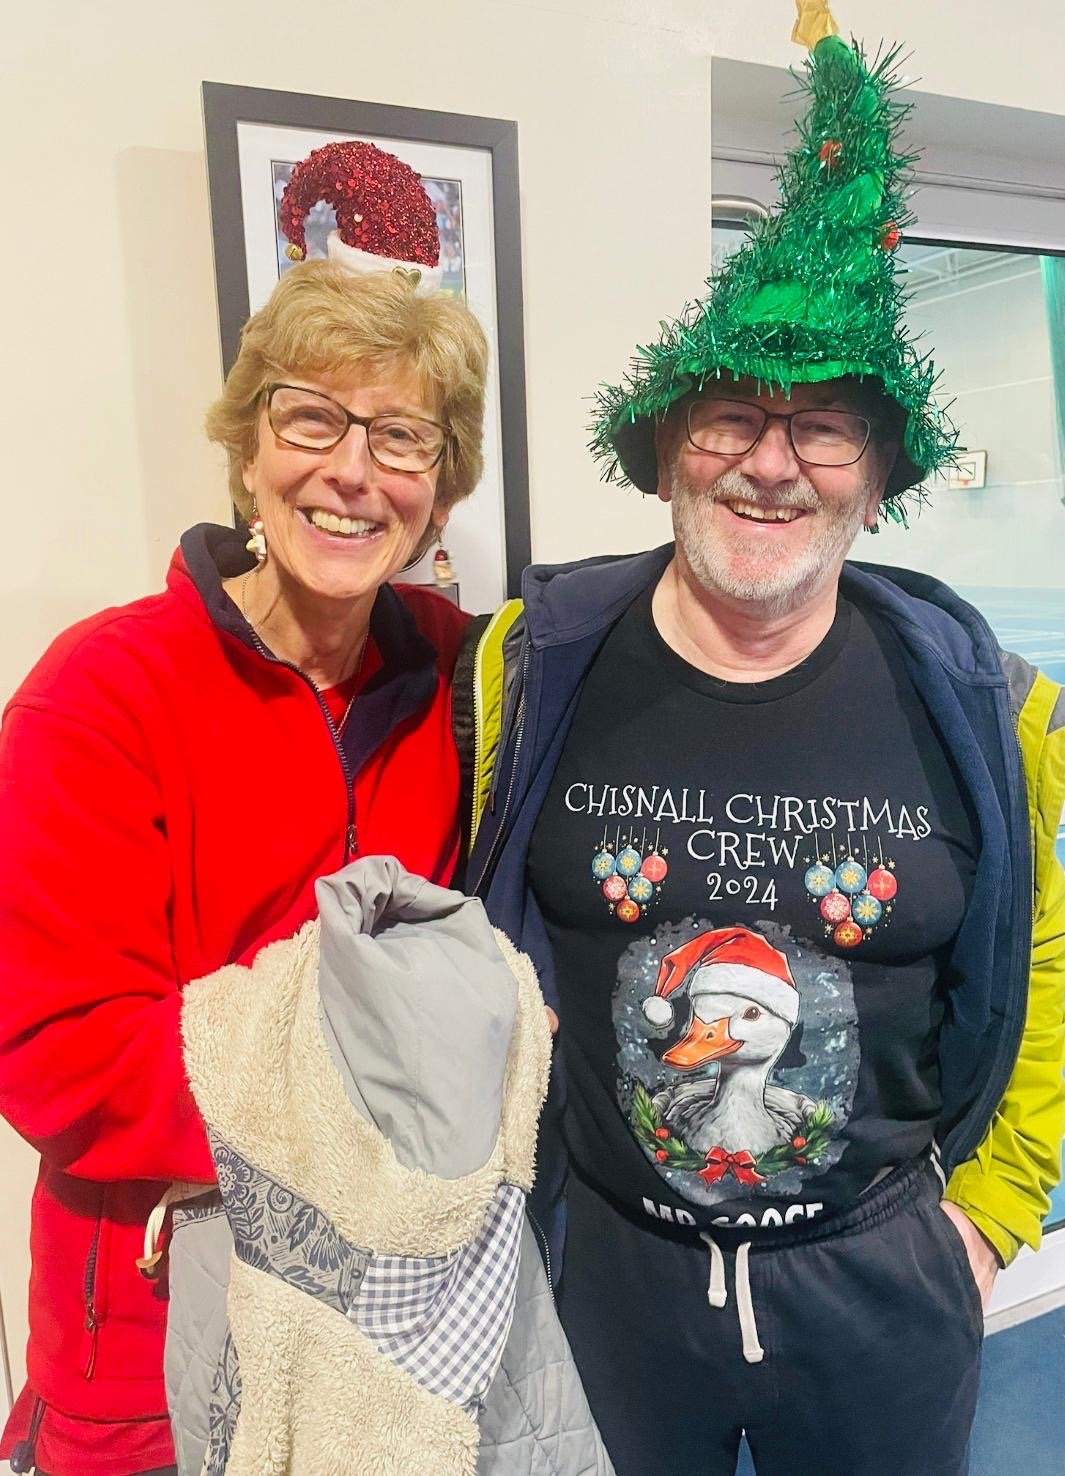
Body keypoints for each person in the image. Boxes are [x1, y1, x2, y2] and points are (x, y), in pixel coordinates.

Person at [459, 20, 1065, 1476]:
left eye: (824, 428)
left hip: (883, 1288)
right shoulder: (530, 665)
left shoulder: (987, 701)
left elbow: (1045, 957)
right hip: (604, 1279)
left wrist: (987, 1218)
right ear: (669, 445)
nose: (772, 459)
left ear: (877, 477)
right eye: (732, 413)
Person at [0, 140, 488, 1476]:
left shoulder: (464, 677)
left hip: (388, 1320)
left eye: (402, 437)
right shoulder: (102, 694)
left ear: (441, 487)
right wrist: (382, 1097)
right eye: (310, 418)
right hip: (156, 1334)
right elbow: (62, 1053)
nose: (353, 471)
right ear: (249, 449)